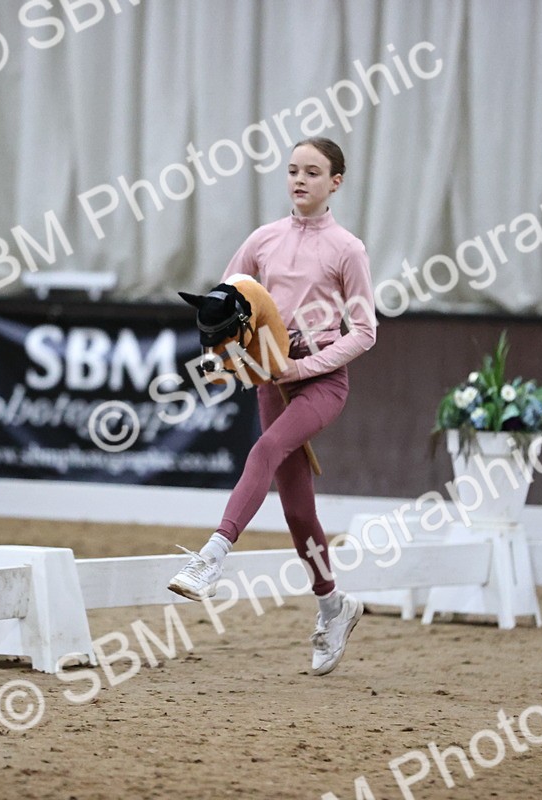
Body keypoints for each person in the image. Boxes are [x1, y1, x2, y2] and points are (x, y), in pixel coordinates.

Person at [168, 137, 377, 676]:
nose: (299, 179)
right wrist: (226, 357)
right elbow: (226, 298)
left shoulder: (347, 249)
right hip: (269, 377)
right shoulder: (263, 240)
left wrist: (304, 369)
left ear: (336, 182)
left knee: (265, 449)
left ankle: (212, 556)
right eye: (292, 171)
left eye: (313, 171)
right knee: (297, 508)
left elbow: (366, 331)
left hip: (321, 380)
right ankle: (333, 604)